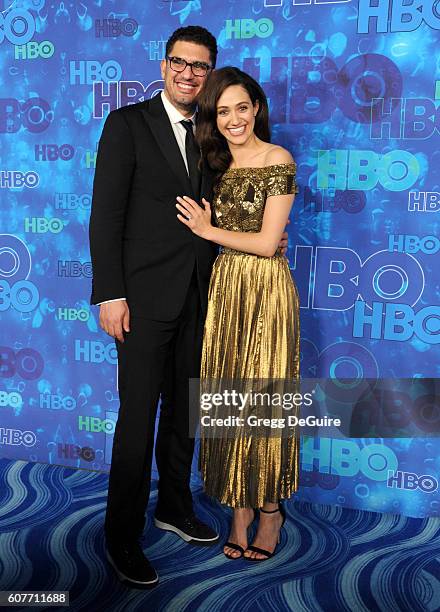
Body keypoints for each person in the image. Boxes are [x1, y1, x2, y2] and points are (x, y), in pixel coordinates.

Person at [90, 25, 290, 587]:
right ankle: (121, 536)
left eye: (200, 67)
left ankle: (174, 507)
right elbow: (105, 215)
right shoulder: (128, 123)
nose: (188, 74)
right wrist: (109, 293)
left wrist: (271, 232)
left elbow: (241, 201)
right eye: (180, 62)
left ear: (210, 72)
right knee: (136, 421)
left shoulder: (214, 133)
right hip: (143, 302)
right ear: (163, 64)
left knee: (185, 414)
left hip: (207, 297)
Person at [175, 67, 300, 562]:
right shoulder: (214, 164)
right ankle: (238, 509)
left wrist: (209, 231)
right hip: (225, 291)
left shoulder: (278, 158)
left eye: (241, 108)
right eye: (222, 111)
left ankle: (269, 508)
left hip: (266, 291)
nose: (233, 119)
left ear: (256, 108)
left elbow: (269, 244)